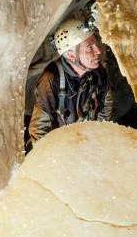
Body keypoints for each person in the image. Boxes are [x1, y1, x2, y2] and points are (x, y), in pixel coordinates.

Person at [28, 17, 113, 147]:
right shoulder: (51, 79)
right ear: (72, 55)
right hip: (61, 146)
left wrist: (98, 137)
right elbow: (39, 128)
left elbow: (105, 103)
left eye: (95, 45)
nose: (98, 51)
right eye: (90, 48)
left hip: (85, 139)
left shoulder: (98, 72)